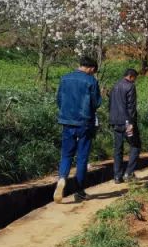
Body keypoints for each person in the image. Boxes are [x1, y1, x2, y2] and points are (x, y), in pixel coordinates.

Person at [53, 57, 102, 203]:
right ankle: (79, 191)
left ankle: (62, 178)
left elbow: (59, 100)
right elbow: (96, 103)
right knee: (82, 157)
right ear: (91, 68)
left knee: (66, 154)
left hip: (67, 121)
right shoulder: (91, 81)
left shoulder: (65, 78)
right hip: (84, 123)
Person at [109, 68, 140, 184]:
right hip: (127, 122)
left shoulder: (115, 86)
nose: (135, 81)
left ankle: (117, 176)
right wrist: (131, 123)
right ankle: (129, 173)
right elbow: (131, 106)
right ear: (131, 76)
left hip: (115, 122)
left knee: (118, 149)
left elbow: (110, 104)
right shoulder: (130, 86)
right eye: (135, 78)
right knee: (135, 145)